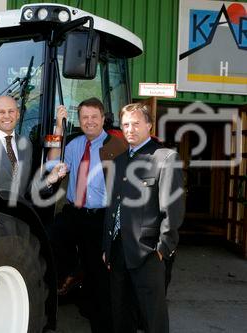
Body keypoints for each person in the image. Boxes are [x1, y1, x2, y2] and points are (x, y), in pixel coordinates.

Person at [102, 103, 185, 333]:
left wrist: (163, 249)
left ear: (149, 125)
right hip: (118, 253)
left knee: (153, 320)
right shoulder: (118, 161)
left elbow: (173, 209)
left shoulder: (165, 158)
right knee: (121, 317)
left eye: (136, 123)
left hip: (148, 254)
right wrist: (107, 247)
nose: (130, 129)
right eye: (126, 124)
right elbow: (113, 207)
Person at [46, 97, 127, 332]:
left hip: (100, 217)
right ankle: (74, 270)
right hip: (74, 212)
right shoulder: (74, 145)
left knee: (99, 276)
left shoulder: (116, 146)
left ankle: (101, 325)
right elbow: (52, 164)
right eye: (84, 118)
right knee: (50, 237)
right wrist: (58, 129)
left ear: (103, 119)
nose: (89, 121)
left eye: (94, 117)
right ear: (79, 121)